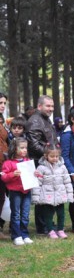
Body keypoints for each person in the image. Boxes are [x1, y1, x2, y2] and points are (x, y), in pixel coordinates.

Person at [26, 95, 58, 235]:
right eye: (48, 106)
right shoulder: (35, 121)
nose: (51, 109)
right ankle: (42, 226)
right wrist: (49, 155)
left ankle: (47, 222)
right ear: (40, 106)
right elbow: (33, 145)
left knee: (47, 194)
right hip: (38, 163)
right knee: (41, 195)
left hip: (46, 161)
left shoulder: (45, 119)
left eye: (52, 106)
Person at [32, 144, 74, 239]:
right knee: (48, 215)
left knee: (61, 214)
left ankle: (60, 230)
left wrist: (70, 195)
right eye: (52, 156)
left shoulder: (62, 167)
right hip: (47, 195)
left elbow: (67, 181)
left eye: (57, 156)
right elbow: (37, 184)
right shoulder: (41, 168)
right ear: (46, 156)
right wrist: (36, 197)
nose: (55, 158)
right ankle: (50, 230)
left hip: (60, 194)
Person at [2, 138, 34, 245]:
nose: (25, 150)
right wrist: (12, 174)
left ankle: (24, 234)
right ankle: (16, 235)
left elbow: (31, 174)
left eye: (26, 148)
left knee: (25, 214)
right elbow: (4, 177)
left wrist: (36, 174)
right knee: (15, 214)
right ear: (14, 149)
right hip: (15, 192)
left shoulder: (28, 161)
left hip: (27, 191)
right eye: (22, 148)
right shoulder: (8, 163)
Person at [0, 93, 9, 235]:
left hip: (3, 164)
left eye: (4, 103)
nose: (2, 106)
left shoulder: (2, 121)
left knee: (2, 196)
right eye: (0, 102)